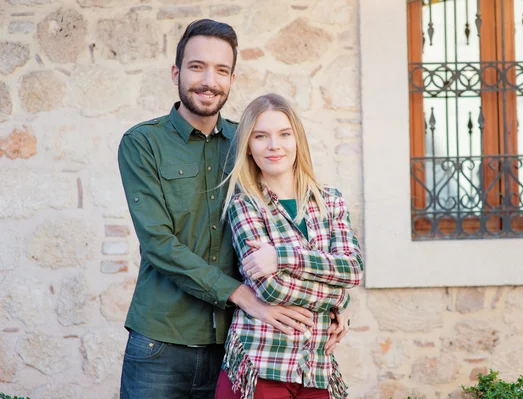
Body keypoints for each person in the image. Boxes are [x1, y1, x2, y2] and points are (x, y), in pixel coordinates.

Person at [117, 20, 335, 399]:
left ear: (232, 79)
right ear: (176, 73)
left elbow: (298, 230)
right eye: (197, 66)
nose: (209, 80)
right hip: (161, 342)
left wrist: (334, 305)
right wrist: (242, 295)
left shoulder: (248, 142)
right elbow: (158, 243)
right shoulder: (143, 143)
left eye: (221, 70)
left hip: (239, 345)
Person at [214, 93, 364, 399]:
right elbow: (270, 289)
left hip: (316, 367)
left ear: (298, 140)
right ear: (249, 147)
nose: (274, 145)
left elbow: (352, 269)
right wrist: (337, 299)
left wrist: (281, 256)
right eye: (260, 136)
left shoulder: (330, 200)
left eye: (284, 134)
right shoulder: (246, 205)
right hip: (260, 363)